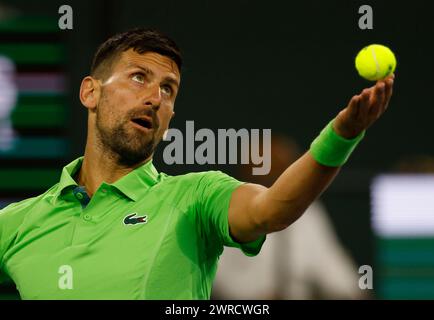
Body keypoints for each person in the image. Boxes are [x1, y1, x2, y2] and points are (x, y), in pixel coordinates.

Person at [0, 28, 394, 299]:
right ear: (90, 92)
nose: (155, 97)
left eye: (168, 89)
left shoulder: (195, 197)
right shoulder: (17, 223)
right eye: (139, 77)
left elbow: (273, 209)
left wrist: (342, 135)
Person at [212, 135, 364, 299]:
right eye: (264, 168)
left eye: (282, 169)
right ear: (245, 173)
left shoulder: (309, 213)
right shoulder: (225, 213)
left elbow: (340, 278)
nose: (275, 177)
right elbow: (212, 280)